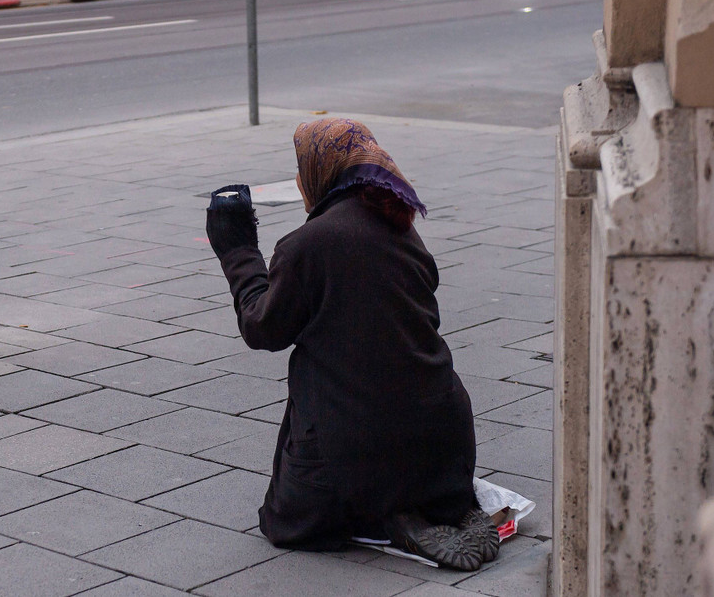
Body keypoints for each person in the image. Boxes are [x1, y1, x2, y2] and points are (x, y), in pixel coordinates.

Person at [204, 118, 498, 570]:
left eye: (301, 169)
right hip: (444, 443)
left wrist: (238, 250)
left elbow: (263, 329)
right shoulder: (402, 227)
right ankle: (441, 504)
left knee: (285, 520)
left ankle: (385, 516)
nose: (299, 181)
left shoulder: (307, 244)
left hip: (358, 448)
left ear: (321, 172)